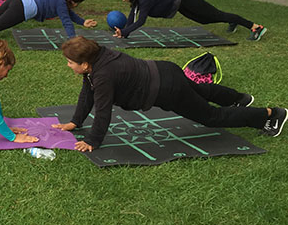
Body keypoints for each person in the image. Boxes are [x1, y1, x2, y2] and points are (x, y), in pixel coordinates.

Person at [52, 36, 287, 152]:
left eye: (70, 62)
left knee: (212, 118)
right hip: (165, 69)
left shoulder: (103, 76)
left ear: (85, 64)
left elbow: (103, 110)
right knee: (198, 89)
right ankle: (239, 99)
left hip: (167, 89)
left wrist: (93, 140)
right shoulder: (98, 58)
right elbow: (87, 93)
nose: (68, 66)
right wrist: (75, 121)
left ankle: (270, 115)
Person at [114, 0, 267, 41]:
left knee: (215, 14)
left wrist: (125, 31)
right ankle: (231, 21)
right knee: (204, 20)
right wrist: (124, 32)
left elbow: (140, 21)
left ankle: (255, 27)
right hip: (180, 4)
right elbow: (133, 15)